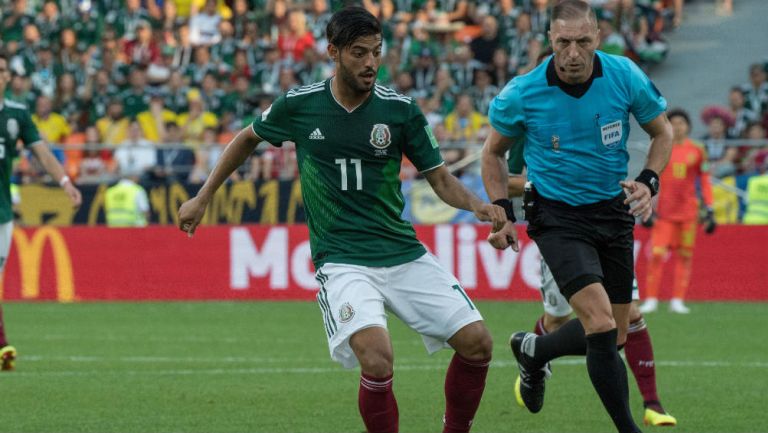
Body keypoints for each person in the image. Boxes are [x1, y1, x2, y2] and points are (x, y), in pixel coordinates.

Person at [178, 7, 506, 433]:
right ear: (333, 52)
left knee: (478, 344)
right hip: (342, 260)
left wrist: (479, 206)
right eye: (358, 53)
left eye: (376, 52)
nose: (371, 63)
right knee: (376, 354)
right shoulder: (300, 106)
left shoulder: (401, 111)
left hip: (401, 251)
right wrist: (203, 197)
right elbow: (247, 139)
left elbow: (440, 180)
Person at [480, 2, 673, 432]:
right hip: (556, 216)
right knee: (600, 323)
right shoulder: (523, 92)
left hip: (613, 211)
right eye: (563, 42)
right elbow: (492, 153)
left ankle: (536, 350)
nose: (572, 52)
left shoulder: (623, 75)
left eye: (582, 41)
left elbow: (663, 132)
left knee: (616, 337)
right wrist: (502, 215)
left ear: (597, 38)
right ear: (550, 40)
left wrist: (649, 180)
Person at [506, 148, 677, 427]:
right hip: (561, 225)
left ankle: (652, 403)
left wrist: (644, 182)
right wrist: (550, 182)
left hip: (608, 223)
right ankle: (535, 351)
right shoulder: (530, 110)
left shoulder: (602, 108)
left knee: (624, 319)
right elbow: (506, 179)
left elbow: (660, 128)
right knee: (558, 319)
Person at [0, 51, 82, 371]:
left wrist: (65, 181)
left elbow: (42, 152)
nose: (0, 74)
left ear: (9, 77)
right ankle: (3, 342)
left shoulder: (17, 115)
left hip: (3, 212)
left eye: (3, 69)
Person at [640, 108, 716, 314]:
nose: (677, 126)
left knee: (685, 256)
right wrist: (647, 206)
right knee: (656, 255)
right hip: (664, 214)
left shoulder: (698, 150)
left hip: (688, 214)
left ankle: (677, 300)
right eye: (673, 123)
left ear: (688, 126)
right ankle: (652, 299)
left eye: (681, 122)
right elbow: (649, 176)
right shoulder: (660, 148)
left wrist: (710, 207)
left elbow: (705, 180)